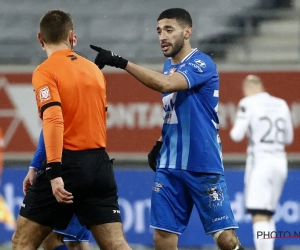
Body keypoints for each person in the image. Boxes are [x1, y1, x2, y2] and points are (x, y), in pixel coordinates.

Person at [90, 7, 245, 250]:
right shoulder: (167, 65)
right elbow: (175, 110)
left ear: (187, 32)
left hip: (203, 164)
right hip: (170, 166)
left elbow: (165, 85)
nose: (162, 36)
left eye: (169, 30)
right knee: (162, 237)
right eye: (159, 31)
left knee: (225, 240)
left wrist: (121, 62)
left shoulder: (202, 62)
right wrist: (161, 141)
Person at [12, 9, 131, 250]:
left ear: (40, 39)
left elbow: (54, 120)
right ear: (72, 36)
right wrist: (37, 164)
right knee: (116, 245)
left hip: (66, 164)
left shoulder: (45, 72)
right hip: (99, 165)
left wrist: (53, 172)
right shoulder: (94, 71)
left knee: (22, 242)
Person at [230, 75, 294, 250]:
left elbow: (236, 135)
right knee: (268, 215)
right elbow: (289, 138)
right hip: (280, 161)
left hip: (261, 161)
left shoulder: (247, 103)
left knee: (259, 213)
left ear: (247, 89)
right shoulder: (281, 104)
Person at [23, 130, 90, 250]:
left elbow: (49, 135)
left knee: (50, 238)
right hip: (86, 170)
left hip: (69, 174)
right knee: (75, 242)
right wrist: (33, 167)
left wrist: (35, 167)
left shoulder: (61, 114)